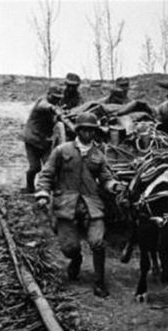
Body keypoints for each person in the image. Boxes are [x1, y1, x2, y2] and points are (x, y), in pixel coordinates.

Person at [35, 112, 125, 298]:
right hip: (66, 204)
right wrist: (43, 193)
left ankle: (99, 282)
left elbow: (106, 177)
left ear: (95, 132)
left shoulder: (98, 155)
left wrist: (113, 186)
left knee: (98, 243)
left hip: (91, 204)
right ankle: (75, 260)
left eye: (91, 130)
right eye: (84, 130)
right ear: (78, 130)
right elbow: (47, 174)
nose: (87, 134)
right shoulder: (62, 150)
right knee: (69, 248)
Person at [22, 84, 64, 193]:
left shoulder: (56, 106)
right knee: (35, 168)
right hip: (32, 140)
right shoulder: (42, 102)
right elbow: (44, 105)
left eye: (58, 98)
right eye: (54, 97)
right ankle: (29, 187)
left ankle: (48, 189)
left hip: (45, 142)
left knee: (49, 167)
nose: (56, 100)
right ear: (48, 94)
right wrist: (53, 109)